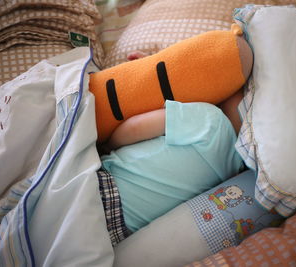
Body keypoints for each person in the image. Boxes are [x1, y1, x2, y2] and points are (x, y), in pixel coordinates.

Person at [100, 51, 248, 233]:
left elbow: (135, 128)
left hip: (106, 188)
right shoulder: (235, 170)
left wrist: (106, 146)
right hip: (121, 230)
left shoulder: (212, 121)